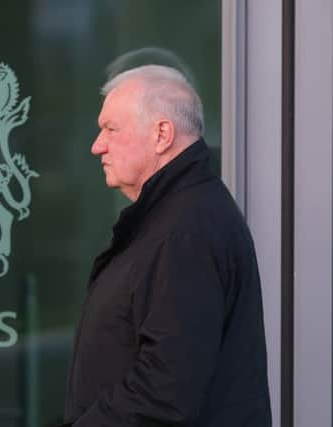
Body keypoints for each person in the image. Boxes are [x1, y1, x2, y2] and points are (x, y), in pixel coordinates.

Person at [60, 65, 272, 426]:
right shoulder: (176, 218)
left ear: (162, 134)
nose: (98, 145)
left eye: (111, 129)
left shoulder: (185, 232)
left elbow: (163, 393)